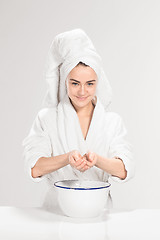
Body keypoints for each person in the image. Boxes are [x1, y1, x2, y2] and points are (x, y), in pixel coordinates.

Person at [22, 29, 135, 211]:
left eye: (90, 83)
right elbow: (35, 168)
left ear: (98, 82)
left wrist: (97, 160)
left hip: (99, 211)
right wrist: (66, 158)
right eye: (75, 83)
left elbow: (125, 170)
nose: (82, 92)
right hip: (55, 211)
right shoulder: (47, 119)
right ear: (64, 81)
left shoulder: (112, 122)